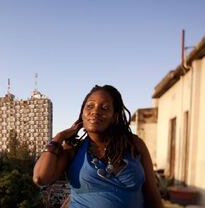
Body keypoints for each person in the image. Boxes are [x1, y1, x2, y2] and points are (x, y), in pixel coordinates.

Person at [33, 85, 163, 208]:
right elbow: (40, 177)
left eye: (105, 108)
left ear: (114, 116)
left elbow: (153, 197)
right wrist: (58, 137)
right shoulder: (73, 150)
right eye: (90, 106)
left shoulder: (133, 144)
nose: (95, 111)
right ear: (82, 113)